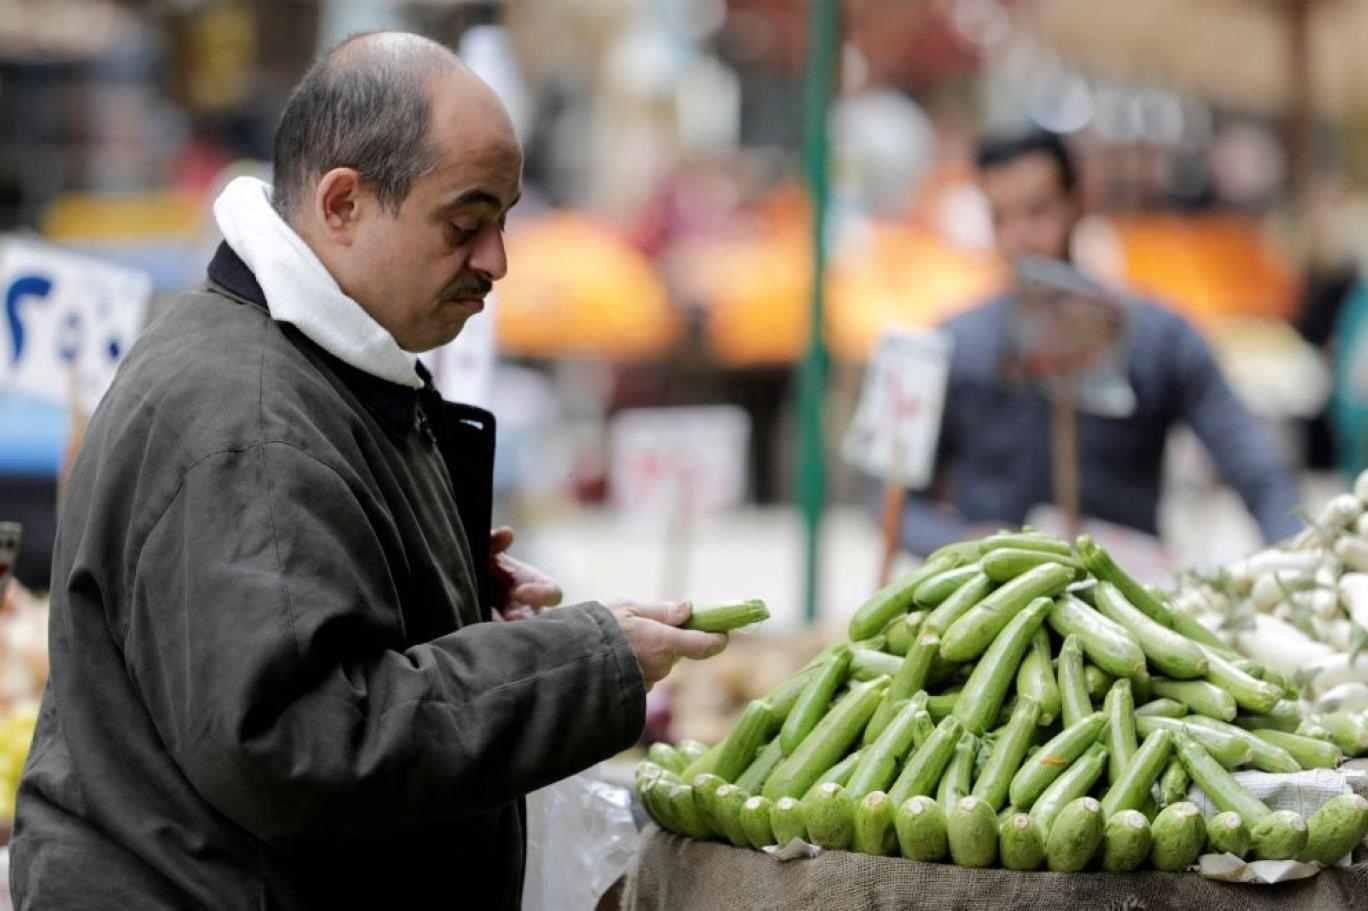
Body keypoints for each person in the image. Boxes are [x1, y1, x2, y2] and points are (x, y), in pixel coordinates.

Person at [11, 33, 728, 910]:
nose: (496, 261)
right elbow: (299, 740)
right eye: (466, 224)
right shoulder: (253, 419)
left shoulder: (313, 366)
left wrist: (455, 593)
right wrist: (579, 660)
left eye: (503, 221)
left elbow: (308, 638)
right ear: (343, 202)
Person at [900, 129, 1300, 554]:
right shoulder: (954, 346)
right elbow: (893, 499)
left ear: (1078, 204)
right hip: (992, 601)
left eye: (1037, 212)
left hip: (1123, 596)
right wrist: (960, 544)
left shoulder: (1158, 338)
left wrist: (1296, 558)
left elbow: (1256, 466)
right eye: (1001, 218)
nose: (1020, 237)